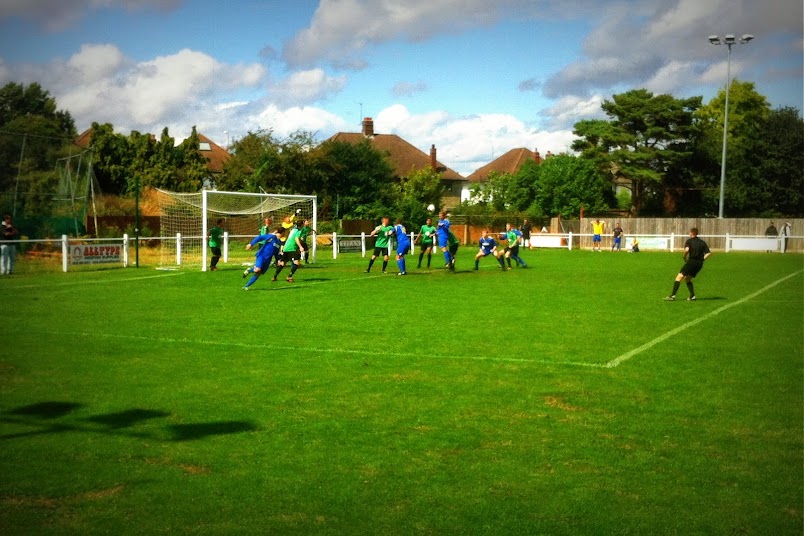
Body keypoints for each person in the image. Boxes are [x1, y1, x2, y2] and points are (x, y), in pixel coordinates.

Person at [665, 228, 711, 301]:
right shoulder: (702, 242)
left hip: (691, 262)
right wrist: (702, 260)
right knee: (687, 279)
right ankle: (692, 296)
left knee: (679, 277)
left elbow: (686, 250)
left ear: (691, 233)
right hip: (699, 264)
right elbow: (708, 253)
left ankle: (672, 296)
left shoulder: (689, 241)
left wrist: (684, 256)